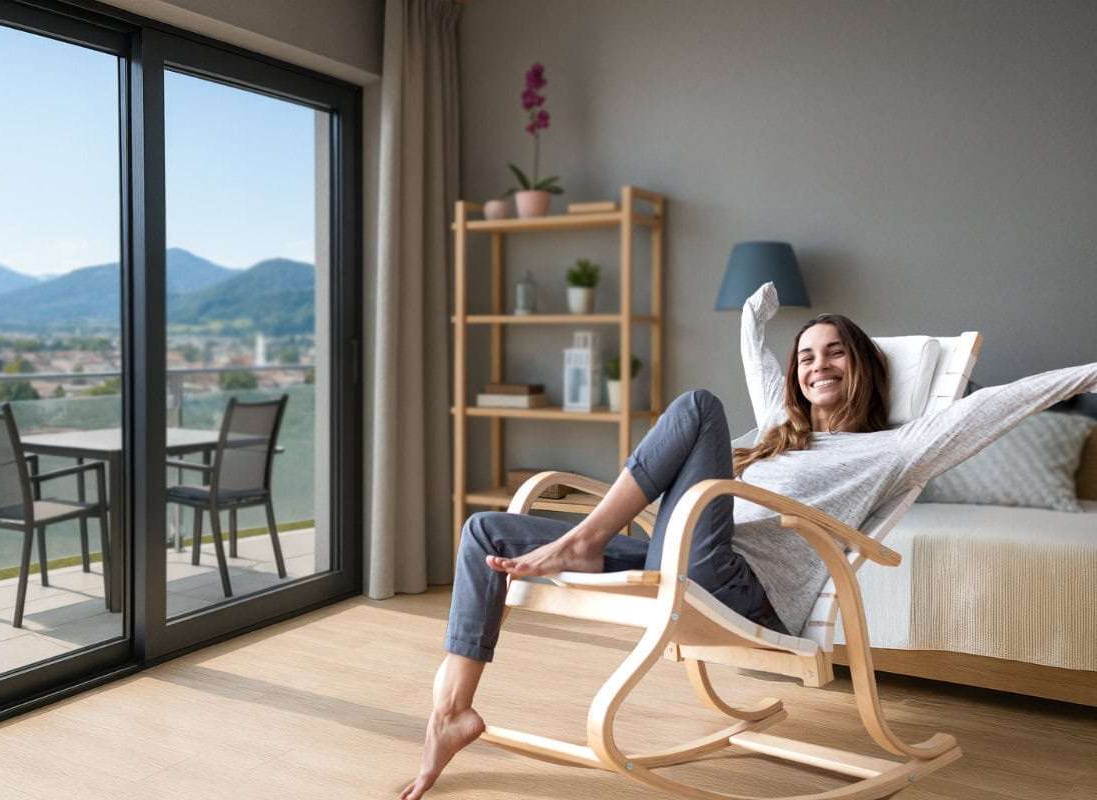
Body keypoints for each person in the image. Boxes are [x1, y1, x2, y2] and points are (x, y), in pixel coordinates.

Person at [399, 282, 1097, 800]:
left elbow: (996, 404)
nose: (817, 365)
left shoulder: (898, 447)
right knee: (484, 529)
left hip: (741, 587)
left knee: (699, 406)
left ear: (863, 364)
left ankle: (585, 539)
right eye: (806, 358)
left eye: (835, 352)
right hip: (687, 556)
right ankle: (452, 713)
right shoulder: (777, 435)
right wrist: (753, 320)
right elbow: (764, 371)